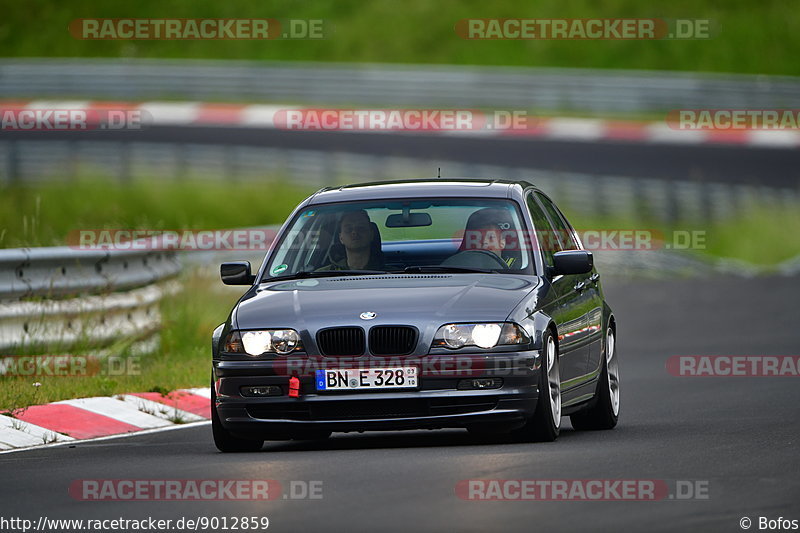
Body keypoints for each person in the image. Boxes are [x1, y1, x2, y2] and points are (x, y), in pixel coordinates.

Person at [318, 210, 385, 270]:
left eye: (361, 228)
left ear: (371, 235)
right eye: (348, 229)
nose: (354, 232)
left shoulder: (390, 274)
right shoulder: (322, 274)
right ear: (340, 237)